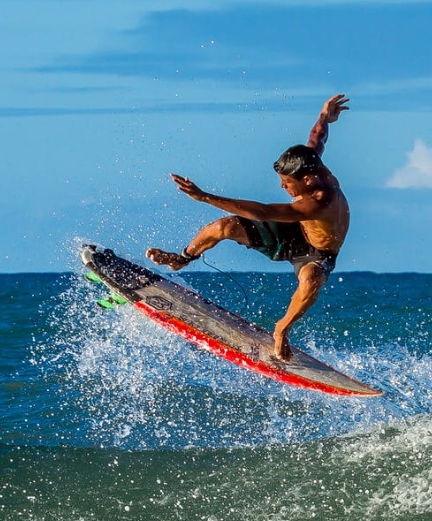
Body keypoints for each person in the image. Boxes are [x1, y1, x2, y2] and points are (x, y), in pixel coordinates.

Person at [147, 94, 352, 361]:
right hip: (296, 231)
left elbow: (264, 211)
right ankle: (182, 258)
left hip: (318, 252)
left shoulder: (317, 203)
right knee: (225, 226)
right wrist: (325, 117)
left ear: (308, 179)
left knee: (312, 281)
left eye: (288, 183)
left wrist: (205, 197)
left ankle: (281, 329)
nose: (282, 187)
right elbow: (317, 137)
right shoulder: (311, 160)